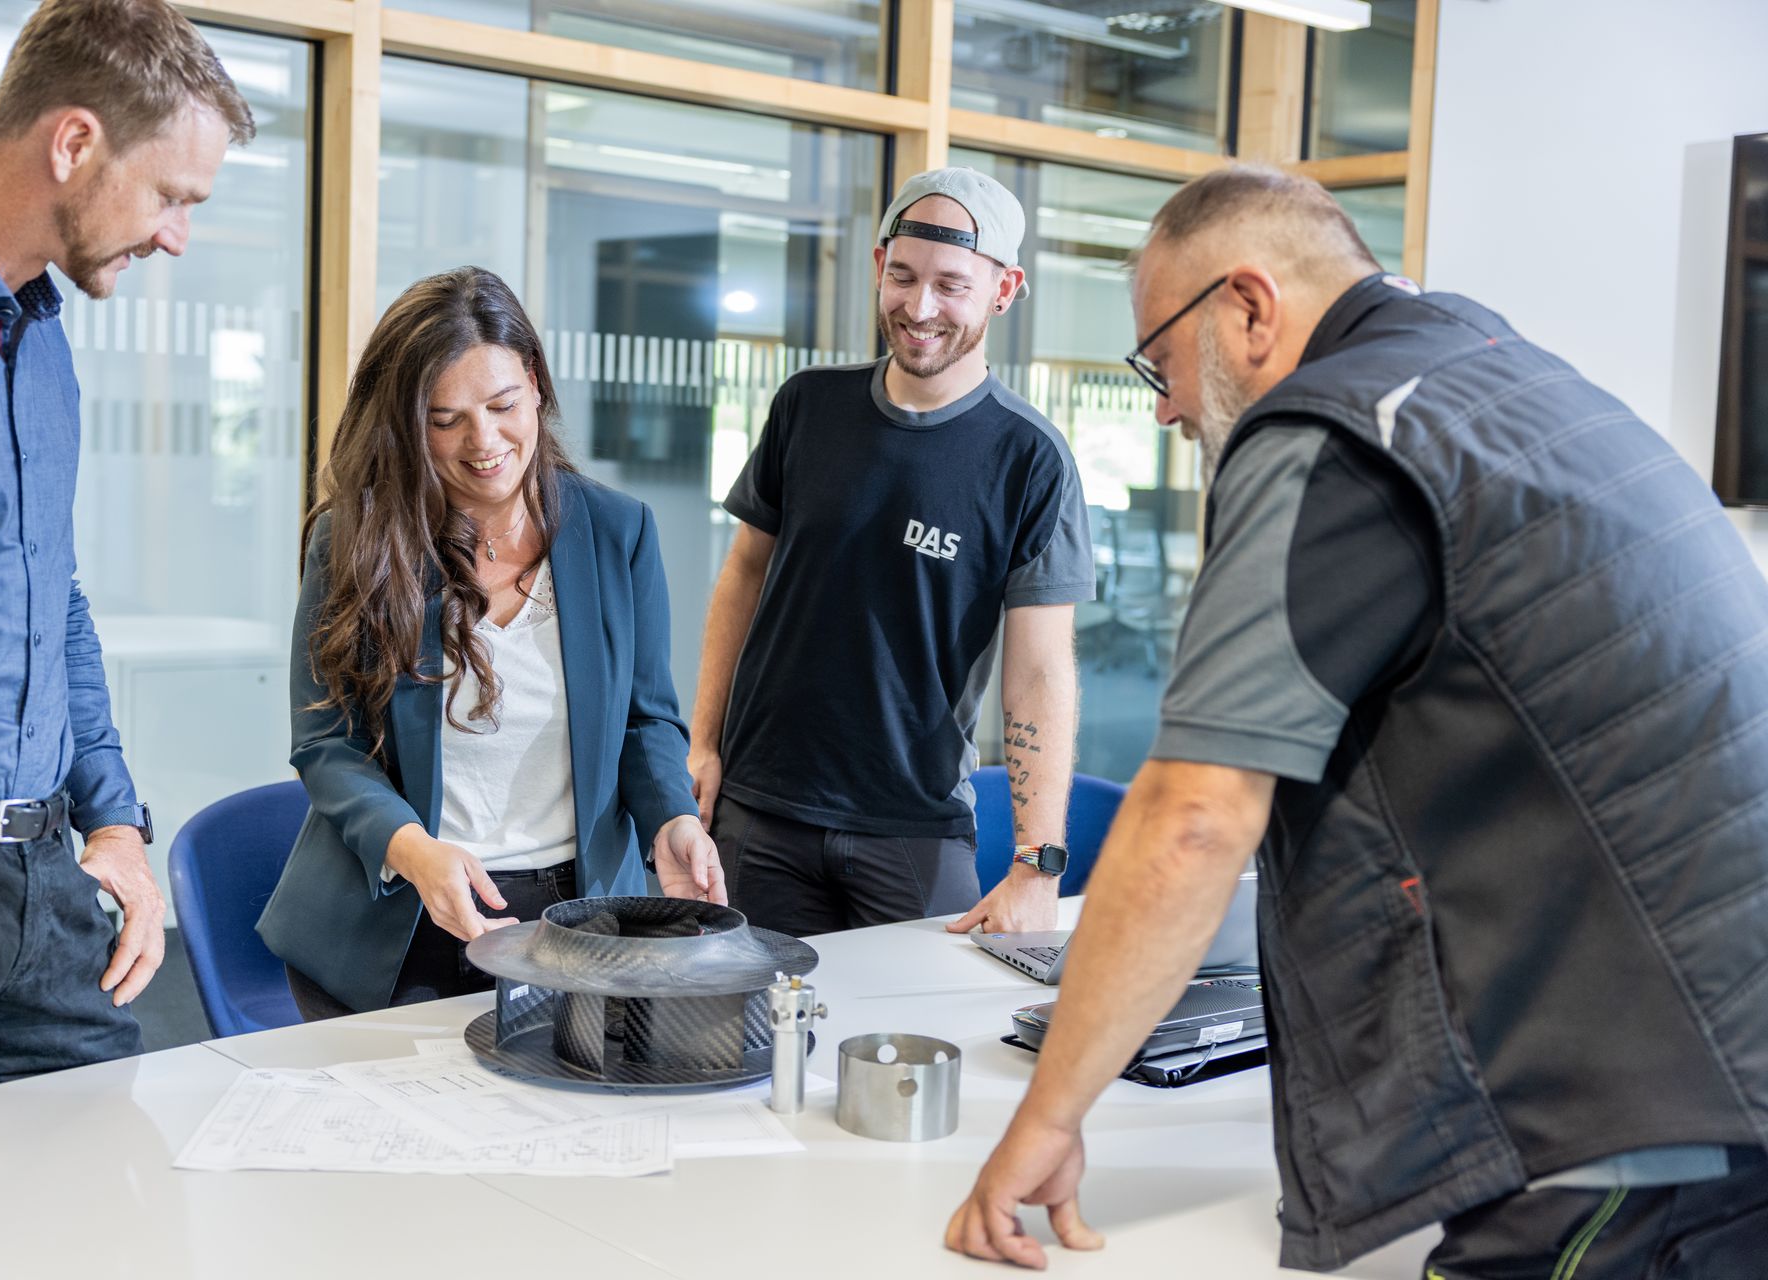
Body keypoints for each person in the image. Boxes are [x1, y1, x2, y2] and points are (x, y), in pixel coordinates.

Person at [946, 164, 1768, 1277]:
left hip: (1621, 1099)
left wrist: (1046, 1117)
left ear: (1248, 306)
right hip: (1721, 1059)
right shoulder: (1507, 380)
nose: (1165, 405)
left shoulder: (1334, 430)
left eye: (1160, 359)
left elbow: (1195, 812)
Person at [0, 0, 255, 1168]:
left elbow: (52, 600)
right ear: (74, 144)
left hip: (36, 878)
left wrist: (116, 815)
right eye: (172, 195)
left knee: (117, 1198)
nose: (178, 235)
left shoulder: (39, 334)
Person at [258, 267, 723, 1019]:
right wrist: (412, 849)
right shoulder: (356, 539)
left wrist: (673, 816)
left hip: (576, 917)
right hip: (400, 914)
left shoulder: (618, 531)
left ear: (535, 382)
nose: (484, 442)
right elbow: (325, 744)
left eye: (503, 405)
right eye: (444, 420)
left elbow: (646, 720)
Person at [689, 166, 1094, 939]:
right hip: (760, 810)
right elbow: (744, 574)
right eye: (903, 277)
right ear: (879, 267)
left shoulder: (1029, 458)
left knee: (915, 1051)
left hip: (914, 824)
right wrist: (701, 745)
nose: (920, 308)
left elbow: (1040, 672)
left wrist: (1036, 866)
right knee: (742, 1048)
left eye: (951, 285)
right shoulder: (808, 406)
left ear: (1003, 291)